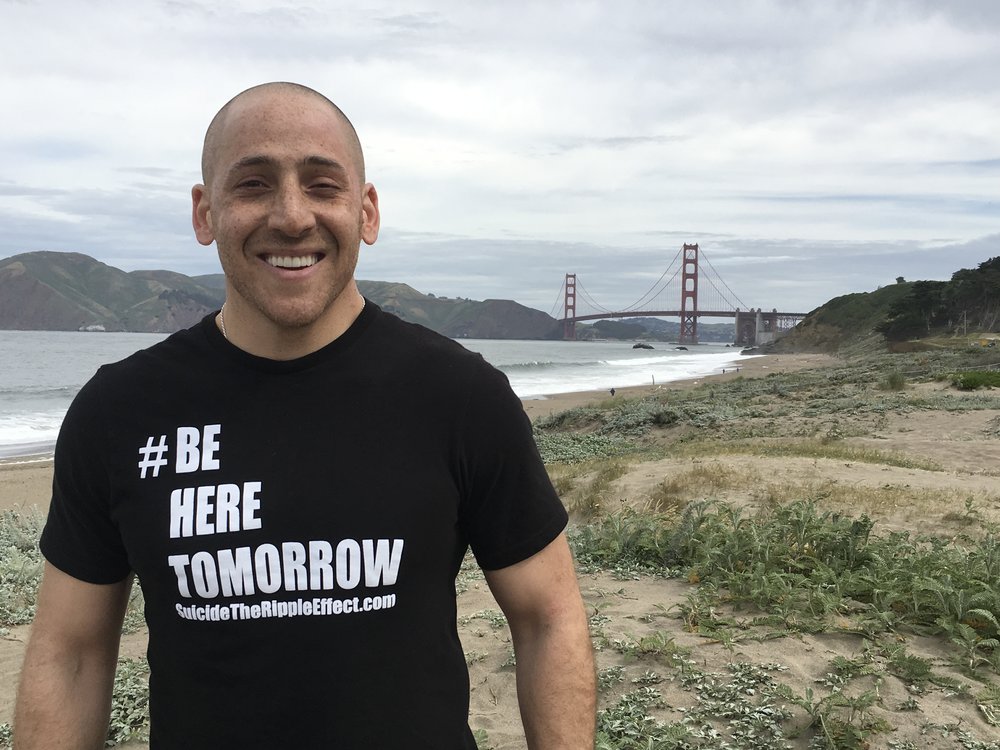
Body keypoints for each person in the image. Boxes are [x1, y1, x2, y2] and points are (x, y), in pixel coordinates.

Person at [15, 82, 596, 748]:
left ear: (367, 212)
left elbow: (548, 618)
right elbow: (71, 652)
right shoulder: (116, 413)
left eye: (323, 186)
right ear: (204, 213)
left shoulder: (461, 396)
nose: (292, 217)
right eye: (254, 184)